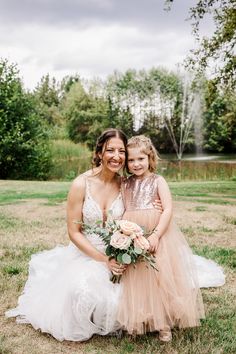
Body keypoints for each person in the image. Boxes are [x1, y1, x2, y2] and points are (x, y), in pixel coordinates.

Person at [5, 128, 128, 342]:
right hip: (87, 254)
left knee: (131, 297)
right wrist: (103, 260)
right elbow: (73, 232)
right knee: (83, 294)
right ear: (99, 152)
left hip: (119, 253)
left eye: (122, 151)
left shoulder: (126, 185)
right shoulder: (81, 184)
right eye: (110, 150)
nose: (116, 157)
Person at [117, 135, 206, 342]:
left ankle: (163, 323)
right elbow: (124, 207)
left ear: (150, 158)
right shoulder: (126, 183)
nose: (136, 164)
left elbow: (167, 209)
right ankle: (139, 319)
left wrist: (156, 235)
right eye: (131, 160)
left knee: (159, 277)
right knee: (137, 277)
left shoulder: (158, 181)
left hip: (157, 234)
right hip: (134, 233)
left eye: (141, 159)